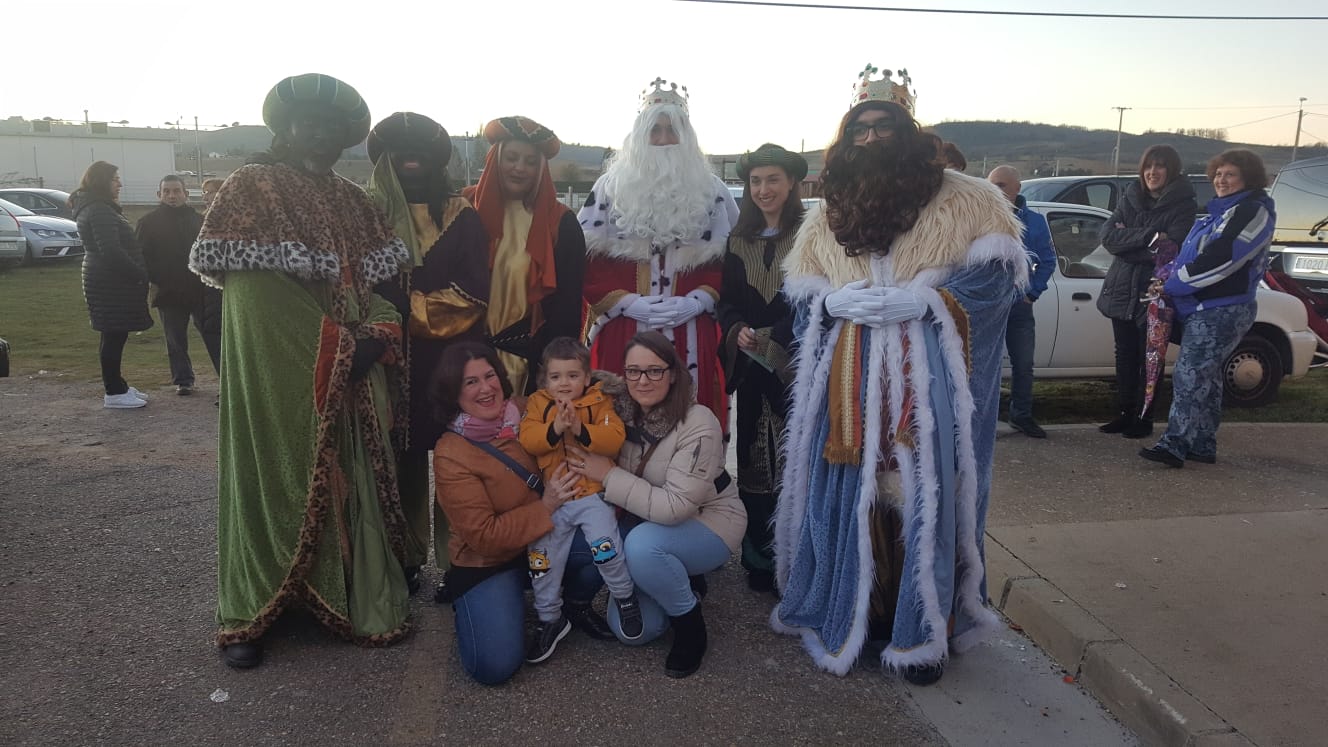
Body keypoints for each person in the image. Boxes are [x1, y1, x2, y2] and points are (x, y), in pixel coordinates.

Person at [772, 65, 1026, 686]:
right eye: (860, 128)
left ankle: (924, 632)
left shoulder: (969, 200)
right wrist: (831, 305)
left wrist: (930, 301)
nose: (871, 138)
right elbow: (804, 303)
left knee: (926, 495)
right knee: (851, 494)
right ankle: (859, 616)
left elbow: (997, 285)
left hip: (928, 382)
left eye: (885, 126)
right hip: (851, 382)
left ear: (909, 130)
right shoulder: (825, 215)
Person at [189, 73, 411, 668]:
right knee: (272, 476)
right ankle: (250, 613)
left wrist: (380, 332)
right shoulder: (252, 188)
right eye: (306, 120)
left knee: (350, 485)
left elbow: (380, 286)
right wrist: (341, 347)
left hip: (352, 381)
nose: (319, 131)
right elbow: (257, 301)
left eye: (332, 124)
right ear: (283, 127)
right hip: (284, 375)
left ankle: (346, 593)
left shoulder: (352, 199)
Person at [568, 331, 746, 679]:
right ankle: (681, 578)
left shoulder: (698, 423)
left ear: (673, 373)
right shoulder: (619, 412)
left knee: (640, 547)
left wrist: (608, 476)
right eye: (633, 371)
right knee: (634, 631)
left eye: (654, 371)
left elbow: (675, 507)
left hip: (708, 522)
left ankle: (690, 625)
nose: (642, 380)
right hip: (647, 520)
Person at [432, 342, 612, 685]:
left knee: (612, 541)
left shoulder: (527, 409)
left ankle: (571, 604)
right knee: (494, 667)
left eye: (490, 376)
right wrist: (544, 507)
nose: (485, 388)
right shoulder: (451, 453)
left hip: (544, 541)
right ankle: (485, 604)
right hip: (490, 563)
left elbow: (585, 400)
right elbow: (484, 537)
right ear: (453, 393)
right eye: (470, 382)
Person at [365, 111, 491, 594]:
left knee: (455, 459)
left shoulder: (463, 215)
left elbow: (474, 294)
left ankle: (460, 557)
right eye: (398, 152)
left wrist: (407, 307)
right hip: (388, 359)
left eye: (418, 151)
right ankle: (405, 555)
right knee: (401, 461)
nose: (408, 159)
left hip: (447, 359)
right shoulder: (369, 215)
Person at [578, 79, 739, 428]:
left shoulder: (712, 191)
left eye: (672, 130)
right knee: (622, 417)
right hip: (626, 326)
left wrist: (698, 300)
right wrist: (627, 302)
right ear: (640, 135)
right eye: (655, 130)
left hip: (691, 327)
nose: (665, 139)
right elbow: (586, 259)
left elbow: (733, 260)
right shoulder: (608, 189)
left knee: (691, 420)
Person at [1140, 149, 1275, 468]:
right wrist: (1166, 278)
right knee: (1207, 376)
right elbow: (1192, 257)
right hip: (1203, 305)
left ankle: (1175, 443)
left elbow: (1222, 258)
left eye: (1230, 175)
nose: (1221, 180)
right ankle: (1202, 442)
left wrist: (1173, 284)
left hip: (1223, 307)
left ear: (1247, 179)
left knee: (1190, 373)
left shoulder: (1251, 211)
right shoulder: (1219, 214)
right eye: (1218, 174)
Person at [716, 143, 806, 593]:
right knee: (753, 458)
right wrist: (736, 329)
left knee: (794, 459)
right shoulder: (737, 239)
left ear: (792, 183)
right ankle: (758, 557)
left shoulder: (812, 235)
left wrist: (780, 334)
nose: (763, 189)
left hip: (796, 367)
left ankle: (796, 554)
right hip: (751, 368)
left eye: (773, 180)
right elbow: (726, 301)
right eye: (755, 181)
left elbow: (817, 297)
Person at [518, 337, 640, 663]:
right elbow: (528, 439)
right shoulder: (537, 404)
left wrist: (580, 428)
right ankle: (549, 617)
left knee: (606, 547)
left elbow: (613, 438)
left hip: (590, 497)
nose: (565, 383)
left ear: (586, 377)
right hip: (555, 499)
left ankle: (625, 597)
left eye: (573, 375)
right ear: (545, 379)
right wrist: (556, 427)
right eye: (556, 376)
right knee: (542, 558)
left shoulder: (600, 402)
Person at [462, 116, 587, 395]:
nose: (520, 168)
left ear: (541, 169)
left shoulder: (561, 224)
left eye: (531, 162)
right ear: (496, 159)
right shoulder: (463, 209)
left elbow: (566, 313)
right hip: (466, 363)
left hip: (527, 364)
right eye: (512, 158)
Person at [1097, 145, 1197, 438]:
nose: (1152, 172)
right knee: (1124, 354)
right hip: (1121, 288)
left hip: (1154, 290)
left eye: (1160, 166)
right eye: (1148, 166)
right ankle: (1124, 412)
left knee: (1150, 356)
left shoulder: (1184, 204)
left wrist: (1130, 243)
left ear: (1172, 170)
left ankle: (1144, 417)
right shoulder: (1129, 196)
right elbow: (1108, 237)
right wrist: (1149, 236)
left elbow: (1170, 250)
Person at [71, 160, 154, 409]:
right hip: (109, 281)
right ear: (102, 181)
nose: (119, 183)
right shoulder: (99, 209)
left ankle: (118, 384)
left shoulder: (98, 207)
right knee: (113, 334)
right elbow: (111, 250)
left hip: (107, 280)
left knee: (114, 333)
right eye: (115, 178)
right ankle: (114, 392)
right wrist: (139, 273)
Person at [136, 174, 221, 395]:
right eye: (167, 191)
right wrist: (157, 278)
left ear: (185, 194)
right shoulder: (148, 222)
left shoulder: (200, 221)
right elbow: (142, 257)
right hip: (168, 290)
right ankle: (183, 380)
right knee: (174, 338)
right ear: (159, 194)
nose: (172, 196)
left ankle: (226, 378)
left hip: (200, 288)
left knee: (213, 335)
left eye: (176, 191)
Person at [988, 164, 1055, 439]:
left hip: (1019, 305)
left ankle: (1022, 416)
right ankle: (983, 420)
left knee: (1023, 364)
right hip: (988, 307)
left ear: (1017, 188)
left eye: (1001, 185)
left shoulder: (1035, 222)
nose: (995, 190)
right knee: (985, 365)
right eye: (991, 184)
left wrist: (1032, 293)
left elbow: (1048, 261)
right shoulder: (981, 218)